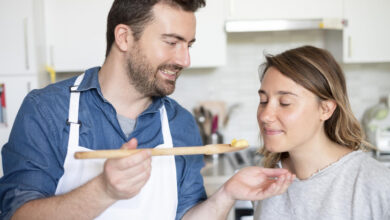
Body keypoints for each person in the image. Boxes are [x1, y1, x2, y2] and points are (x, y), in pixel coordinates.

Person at [0, 0, 294, 219]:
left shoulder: (180, 123)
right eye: (172, 43)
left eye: (188, 45)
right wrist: (104, 190)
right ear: (125, 38)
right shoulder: (47, 109)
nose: (185, 60)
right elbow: (17, 215)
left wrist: (228, 193)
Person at [253, 45, 390, 219]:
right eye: (263, 100)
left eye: (285, 102)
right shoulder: (266, 182)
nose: (265, 115)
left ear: (325, 109)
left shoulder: (377, 184)